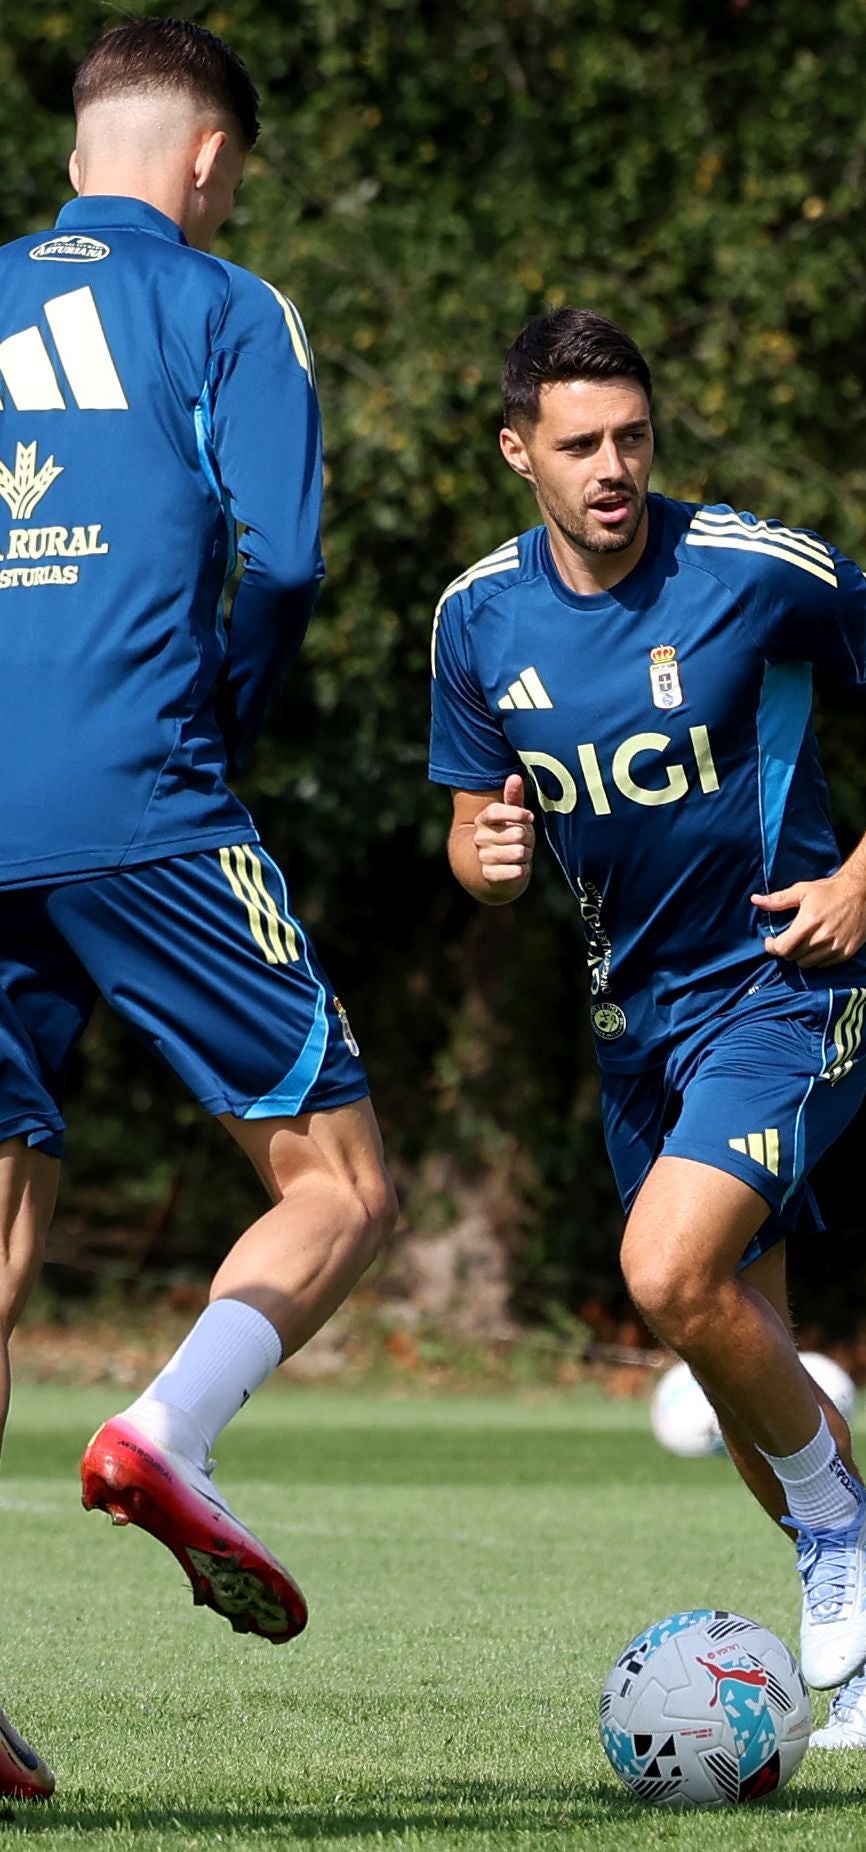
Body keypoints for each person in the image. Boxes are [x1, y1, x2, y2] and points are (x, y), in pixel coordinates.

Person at [429, 308, 866, 1751]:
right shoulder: (475, 616)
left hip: (786, 988)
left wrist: (865, 875)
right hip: (637, 1027)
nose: (612, 466)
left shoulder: (750, 568)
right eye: (578, 444)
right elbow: (471, 823)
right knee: (745, 1356)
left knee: (665, 1270)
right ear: (517, 454)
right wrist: (476, 859)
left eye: (632, 436)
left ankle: (842, 1536)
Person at [0, 19, 397, 1799]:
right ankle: (168, 1430)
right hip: (139, 799)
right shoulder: (227, 304)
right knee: (344, 1184)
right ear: (213, 160)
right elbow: (290, 557)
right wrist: (221, 715)